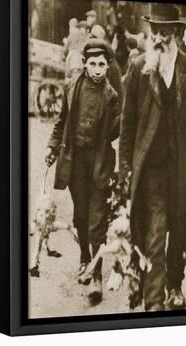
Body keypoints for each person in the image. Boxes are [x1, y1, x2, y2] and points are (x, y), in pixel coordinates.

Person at [119, 4, 186, 312]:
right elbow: (128, 122)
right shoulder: (138, 67)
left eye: (166, 31)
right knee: (156, 230)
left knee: (181, 229)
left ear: (175, 33)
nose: (160, 37)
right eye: (156, 31)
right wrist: (124, 167)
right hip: (151, 168)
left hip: (183, 166)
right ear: (150, 32)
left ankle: (175, 285)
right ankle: (154, 301)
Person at [45, 39, 121, 305]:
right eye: (93, 64)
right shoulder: (71, 87)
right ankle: (84, 259)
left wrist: (123, 119)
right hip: (75, 160)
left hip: (99, 162)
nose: (98, 69)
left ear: (108, 65)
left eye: (102, 64)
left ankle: (97, 274)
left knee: (97, 219)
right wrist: (53, 147)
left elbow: (113, 132)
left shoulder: (112, 96)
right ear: (84, 64)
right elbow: (61, 122)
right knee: (80, 215)